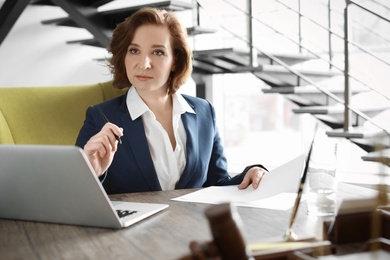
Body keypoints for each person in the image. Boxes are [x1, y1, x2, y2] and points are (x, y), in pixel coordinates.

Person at [76, 7, 267, 194]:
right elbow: (71, 196)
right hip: (130, 225)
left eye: (158, 52)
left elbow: (216, 184)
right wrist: (92, 174)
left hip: (188, 224)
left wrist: (248, 174)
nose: (144, 64)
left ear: (175, 60)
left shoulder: (204, 112)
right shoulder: (100, 116)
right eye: (134, 51)